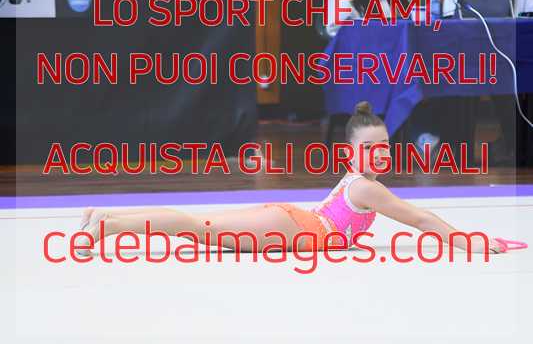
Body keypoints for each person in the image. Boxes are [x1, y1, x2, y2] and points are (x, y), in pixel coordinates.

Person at [77, 102, 504, 257]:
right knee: (197, 228)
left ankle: (106, 217)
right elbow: (420, 219)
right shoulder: (367, 187)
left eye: (385, 145)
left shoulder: (359, 181)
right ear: (351, 153)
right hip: (295, 228)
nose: (381, 153)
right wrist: (471, 241)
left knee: (198, 226)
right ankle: (107, 227)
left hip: (292, 223)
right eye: (371, 147)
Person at [442, 0, 533, 164]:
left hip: (508, 56)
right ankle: (459, 155)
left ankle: (518, 150)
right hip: (468, 58)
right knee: (460, 80)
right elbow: (449, 18)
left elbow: (529, 20)